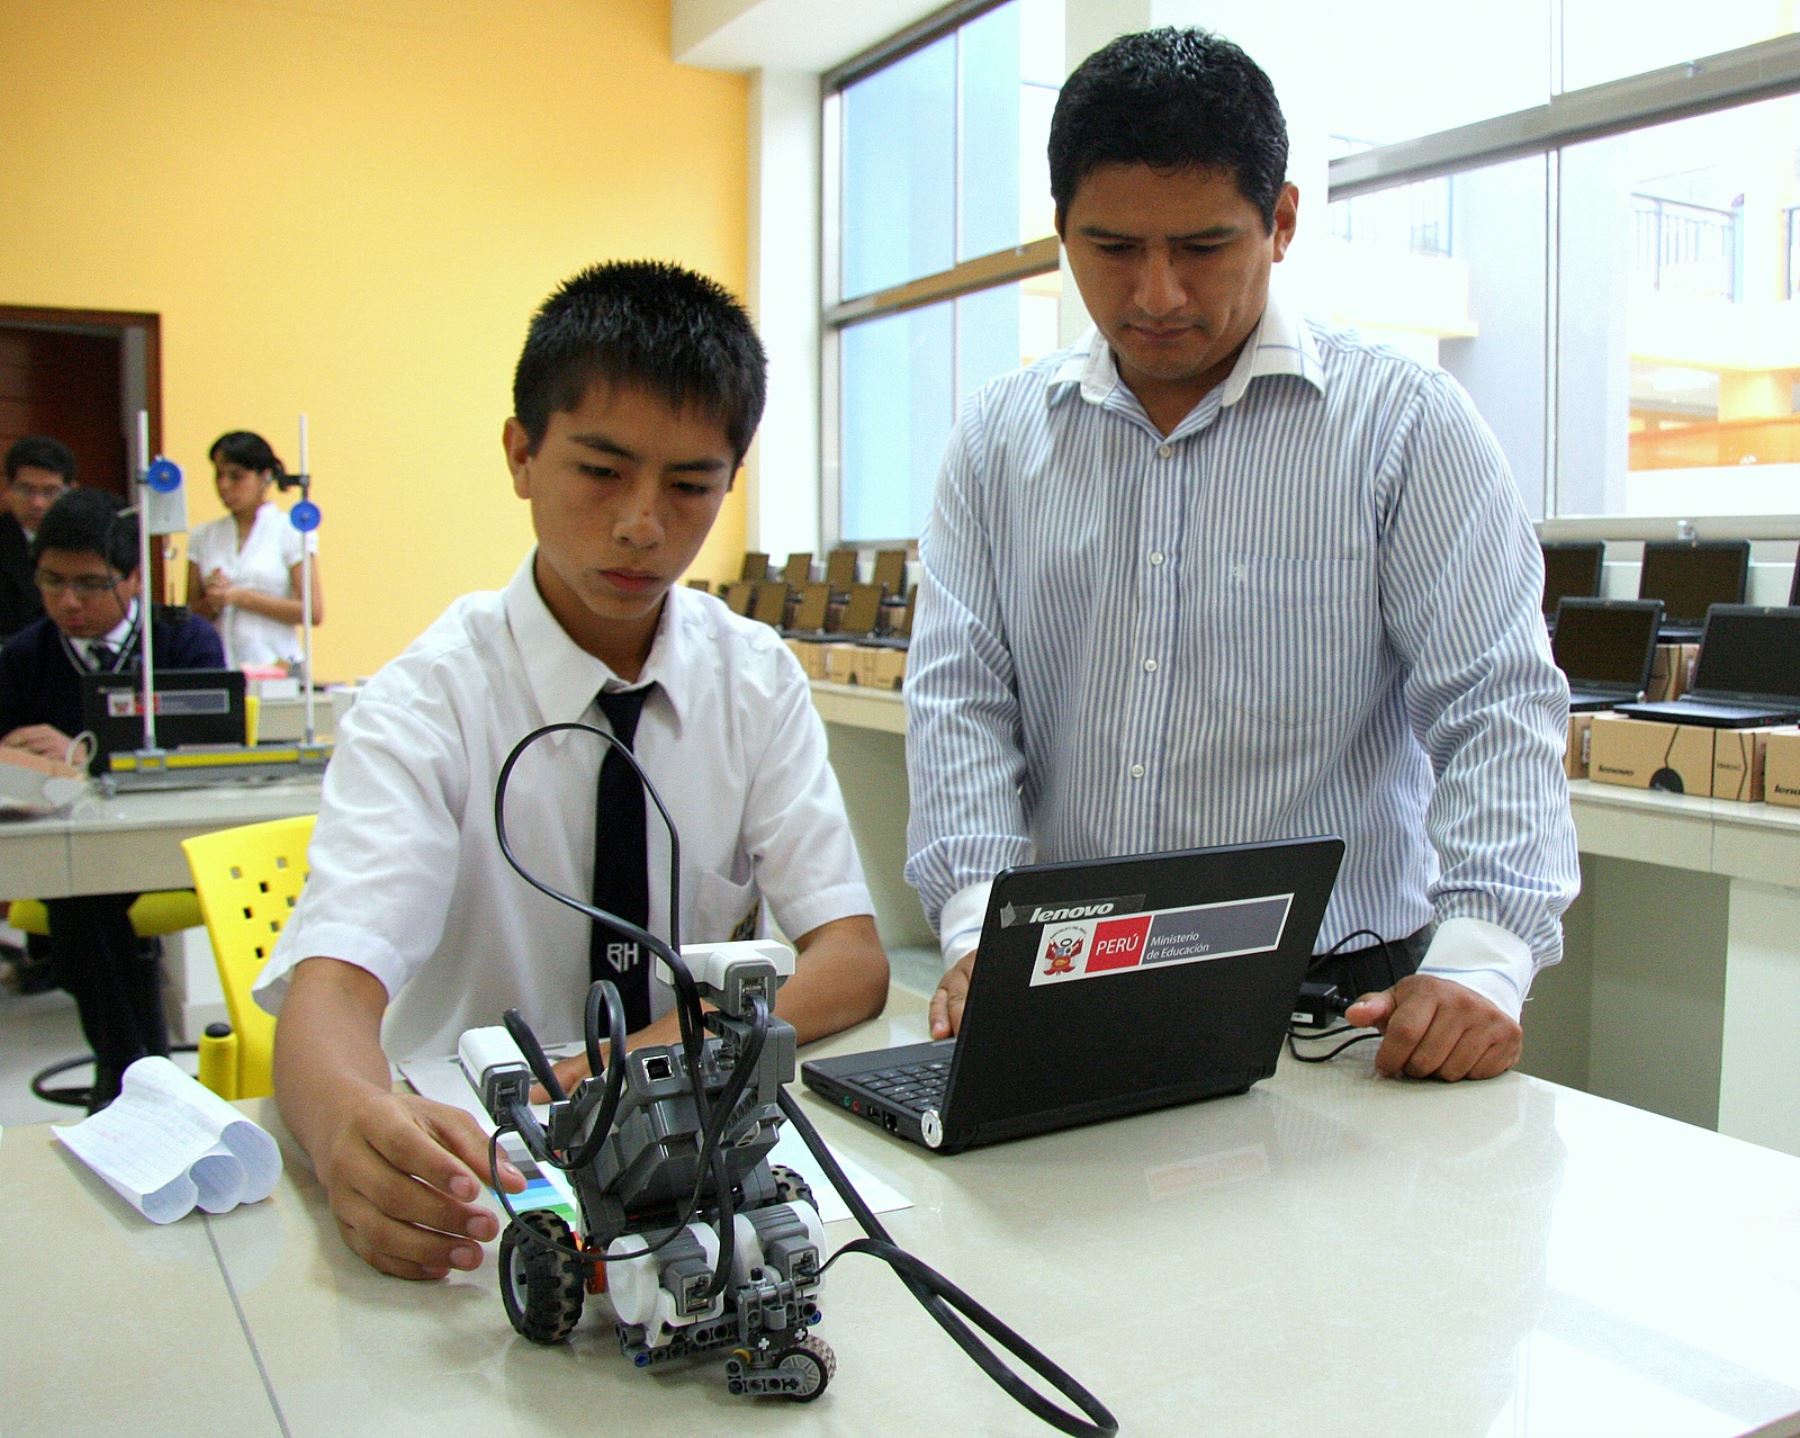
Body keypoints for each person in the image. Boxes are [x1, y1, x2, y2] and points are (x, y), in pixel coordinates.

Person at [904, 27, 1578, 1083]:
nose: (1157, 294)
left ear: (1282, 222)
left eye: (1204, 246)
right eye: (1113, 247)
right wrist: (972, 934)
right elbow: (960, 706)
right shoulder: (999, 442)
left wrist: (1486, 958)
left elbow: (1495, 700)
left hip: (1335, 998)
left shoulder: (1403, 428)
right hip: (1065, 981)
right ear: (1062, 230)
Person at [256, 260, 890, 1281]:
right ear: (521, 452)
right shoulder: (430, 701)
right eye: (601, 470)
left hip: (687, 1161)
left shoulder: (754, 679)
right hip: (484, 1187)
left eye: (691, 485)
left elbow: (849, 957)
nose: (644, 523)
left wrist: (648, 1051)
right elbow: (330, 988)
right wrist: (348, 1135)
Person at [0, 488, 227, 1107]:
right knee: (83, 901)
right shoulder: (21, 660)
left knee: (90, 911)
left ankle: (128, 1080)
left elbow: (208, 760)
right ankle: (138, 1076)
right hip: (81, 858)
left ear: (132, 579)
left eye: (89, 584)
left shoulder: (182, 645)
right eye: (50, 581)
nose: (66, 602)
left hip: (176, 850)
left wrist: (82, 754)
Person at [186, 430, 323, 666]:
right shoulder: (203, 536)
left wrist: (239, 596)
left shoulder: (290, 530)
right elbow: (189, 613)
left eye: (236, 477)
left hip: (276, 666)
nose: (224, 486)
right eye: (218, 476)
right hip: (220, 665)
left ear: (265, 477)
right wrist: (213, 600)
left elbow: (312, 611)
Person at [1, 436, 77, 642]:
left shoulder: (87, 543)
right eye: (26, 490)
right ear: (8, 489)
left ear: (71, 492)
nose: (37, 503)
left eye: (50, 491)